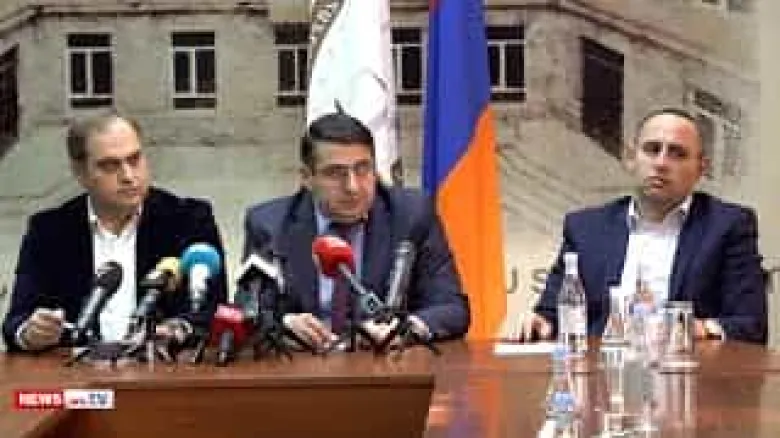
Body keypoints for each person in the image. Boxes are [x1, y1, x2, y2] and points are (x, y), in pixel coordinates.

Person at [517, 107, 766, 344]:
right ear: (630, 158)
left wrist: (694, 328)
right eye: (652, 149)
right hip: (601, 366)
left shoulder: (727, 227)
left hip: (686, 367)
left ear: (701, 168)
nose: (661, 163)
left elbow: (751, 325)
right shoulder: (586, 228)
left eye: (677, 153)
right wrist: (541, 322)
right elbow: (551, 313)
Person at [2, 112, 228, 352]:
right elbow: (17, 321)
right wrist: (31, 333)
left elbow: (212, 311)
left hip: (161, 367)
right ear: (80, 172)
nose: (128, 176)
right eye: (110, 166)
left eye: (135, 159)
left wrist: (178, 329)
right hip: (77, 370)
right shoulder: (49, 230)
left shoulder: (188, 220)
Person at [243, 112, 469, 350]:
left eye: (362, 169)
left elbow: (451, 308)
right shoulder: (269, 225)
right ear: (307, 178)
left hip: (385, 364)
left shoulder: (410, 215)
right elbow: (248, 312)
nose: (353, 187)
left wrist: (404, 329)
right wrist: (283, 325)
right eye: (335, 173)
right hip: (305, 365)